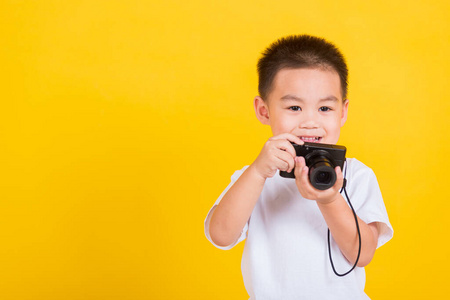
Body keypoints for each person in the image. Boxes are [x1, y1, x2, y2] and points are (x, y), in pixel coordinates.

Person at [204, 35, 393, 299]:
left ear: (343, 112)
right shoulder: (255, 177)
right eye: (294, 107)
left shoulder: (356, 175)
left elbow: (363, 254)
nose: (310, 122)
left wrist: (329, 199)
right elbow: (220, 236)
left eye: (325, 108)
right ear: (264, 111)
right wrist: (258, 172)